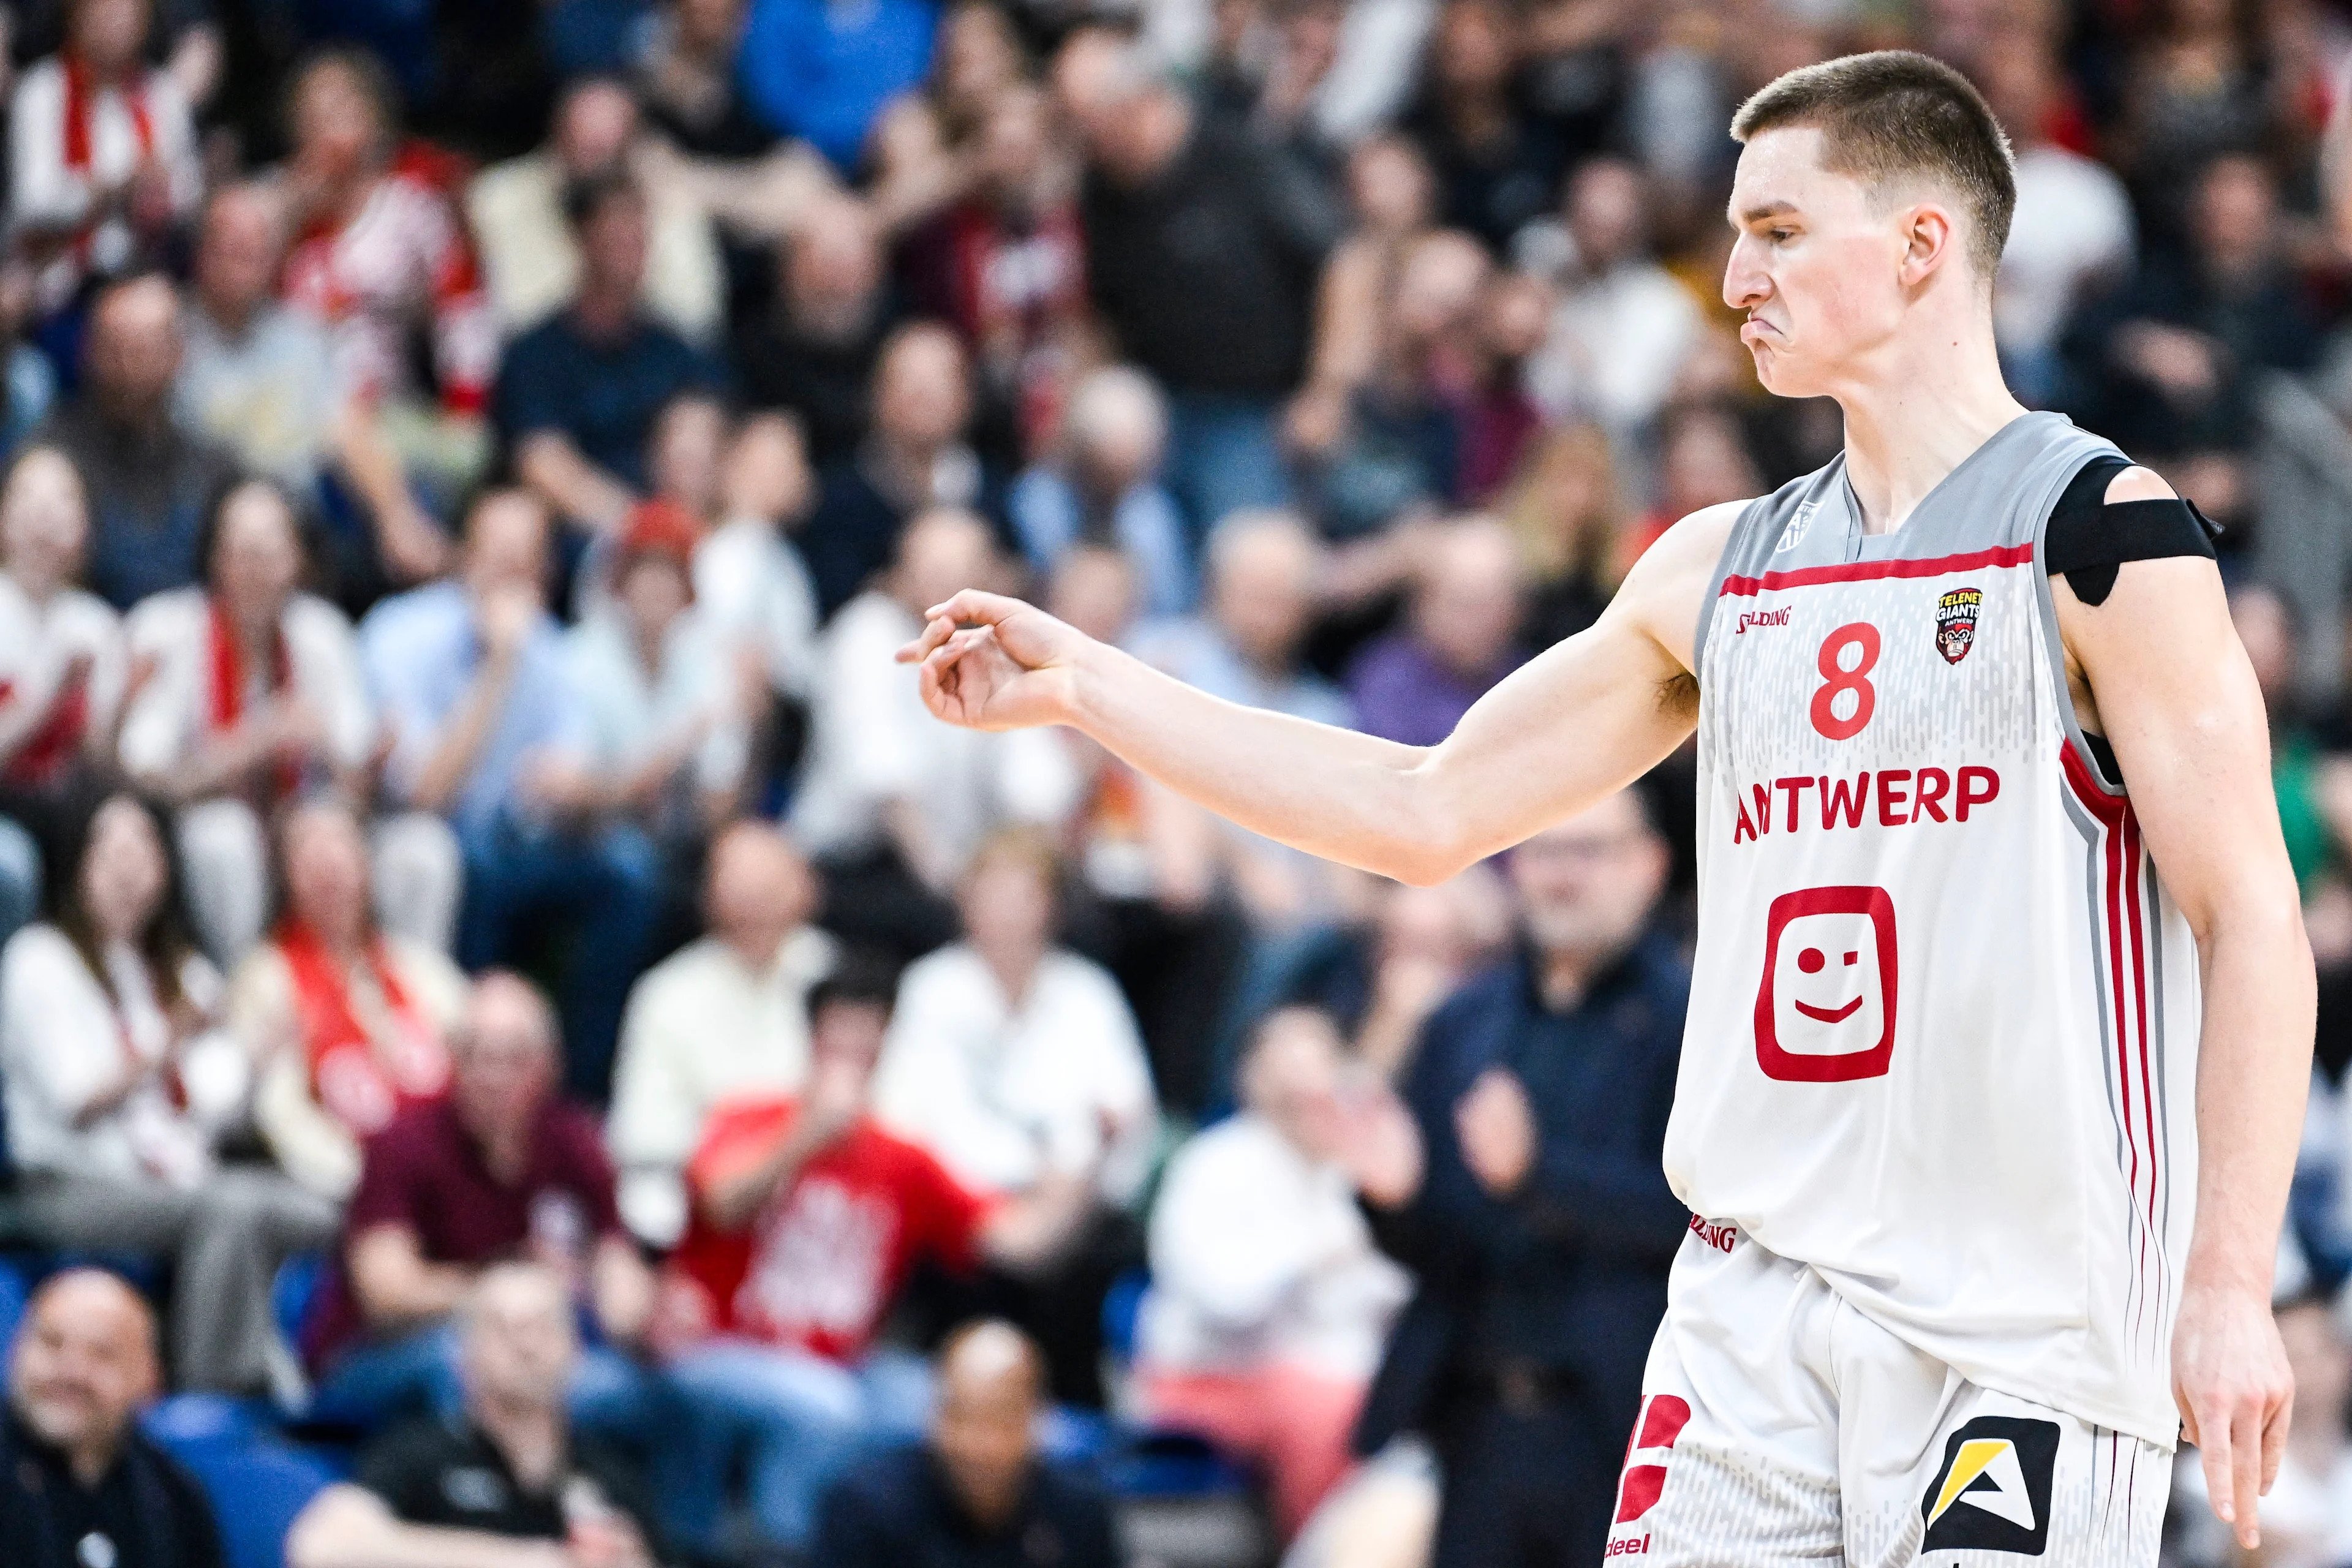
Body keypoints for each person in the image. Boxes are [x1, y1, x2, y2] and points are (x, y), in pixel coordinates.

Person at [903, 50, 2310, 1562]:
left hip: (2016, 1317)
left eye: (1776, 229)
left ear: (1920, 245)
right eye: (1732, 229)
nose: (1735, 271)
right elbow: (1417, 805)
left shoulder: (2099, 535)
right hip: (1745, 1316)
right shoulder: (1716, 567)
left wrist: (2225, 1281)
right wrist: (1087, 691)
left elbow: (2249, 917)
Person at [1329, 791, 1689, 1566]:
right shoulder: (1462, 1022)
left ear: (1649, 865)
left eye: (1585, 851)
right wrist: (1392, 1203)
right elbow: (1436, 1245)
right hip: (1477, 1418)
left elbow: (1699, 1225)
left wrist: (1538, 1177)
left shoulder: (1690, 1021)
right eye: (1541, 851)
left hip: (1625, 1424)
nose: (1560, 877)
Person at [655, 963, 1094, 1553]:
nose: (854, 1057)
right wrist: (806, 1138)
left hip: (848, 1366)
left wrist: (1080, 1159)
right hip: (720, 1350)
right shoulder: (748, 1117)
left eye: (869, 1042)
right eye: (841, 1040)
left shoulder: (902, 1159)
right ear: (811, 1040)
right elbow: (719, 1202)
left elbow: (1016, 1243)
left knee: (1000, 1414)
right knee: (824, 1409)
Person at [1, 793, 339, 1395]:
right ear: (78, 864)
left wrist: (256, 1060)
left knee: (322, 1212)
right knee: (229, 1210)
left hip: (173, 1175)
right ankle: (211, 1392)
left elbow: (209, 1111)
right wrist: (170, 1039)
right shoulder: (38, 960)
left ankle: (301, 1370)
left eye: (144, 851)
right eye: (111, 852)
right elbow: (76, 1101)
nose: (129, 870)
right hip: (67, 1183)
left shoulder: (181, 971)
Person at [361, 488, 663, 1100]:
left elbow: (568, 774)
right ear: (464, 557)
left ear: (544, 572)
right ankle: (462, 1078)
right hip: (415, 836)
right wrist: (499, 669)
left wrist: (581, 791)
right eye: (495, 555)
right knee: (466, 860)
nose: (509, 574)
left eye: (524, 560)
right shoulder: (399, 633)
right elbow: (426, 794)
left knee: (630, 868)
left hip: (518, 836)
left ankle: (580, 1088)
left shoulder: (553, 649)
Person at [871, 828, 1158, 1403]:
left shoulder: (1088, 994)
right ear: (966, 901)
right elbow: (902, 1120)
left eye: (1023, 894)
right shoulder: (932, 989)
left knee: (1089, 1257)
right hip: (960, 1206)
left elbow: (1125, 1115)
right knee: (973, 1261)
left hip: (1066, 1201)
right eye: (992, 892)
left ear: (1050, 906)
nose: (1006, 911)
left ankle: (1067, 1416)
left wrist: (1059, 1192)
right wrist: (988, 1207)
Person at [303, 971, 657, 1433]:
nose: (492, 1076)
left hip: (527, 1344)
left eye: (512, 1059)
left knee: (645, 1389)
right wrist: (506, 1289)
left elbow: (617, 1263)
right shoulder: (402, 1143)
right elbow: (386, 1292)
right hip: (378, 1356)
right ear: (452, 1061)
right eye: (475, 1055)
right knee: (478, 1368)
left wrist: (633, 1306)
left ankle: (604, 1500)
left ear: (548, 1067)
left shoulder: (574, 1142)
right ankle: (486, 1501)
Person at [1136, 1006, 1411, 1538]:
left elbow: (1390, 1290)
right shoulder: (1212, 1164)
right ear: (1252, 1078)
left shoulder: (1352, 1170)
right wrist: (1313, 1255)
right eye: (1286, 1073)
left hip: (1335, 1368)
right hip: (1213, 1373)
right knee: (1332, 1411)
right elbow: (1223, 1302)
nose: (1302, 1092)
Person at [1054, 28, 1331, 536]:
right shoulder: (1098, 193)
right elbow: (1097, 313)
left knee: (1240, 542)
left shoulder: (1237, 156)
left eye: (1087, 125)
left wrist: (1328, 389)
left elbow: (1343, 258)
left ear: (1134, 105)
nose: (1081, 143)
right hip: (1154, 406)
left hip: (1251, 411)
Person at [793, 507, 1078, 959]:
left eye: (961, 573)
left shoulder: (996, 642)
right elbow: (886, 787)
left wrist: (1026, 881)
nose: (945, 586)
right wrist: (961, 892)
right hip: (862, 861)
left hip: (968, 866)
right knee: (932, 923)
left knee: (1083, 923)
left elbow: (1037, 779)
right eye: (932, 570)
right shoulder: (865, 632)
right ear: (901, 572)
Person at [117, 478, 382, 965]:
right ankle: (243, 986)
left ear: (298, 560)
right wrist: (258, 740)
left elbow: (359, 779)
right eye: (242, 552)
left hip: (298, 827)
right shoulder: (168, 629)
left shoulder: (322, 633)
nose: (255, 571)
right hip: (193, 838)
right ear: (215, 558)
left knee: (394, 845)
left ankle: (362, 995)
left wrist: (328, 750)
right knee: (226, 834)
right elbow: (145, 777)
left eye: (270, 553)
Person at [288, 1263, 662, 1568]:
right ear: (462, 1357)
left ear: (577, 1350)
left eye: (544, 1325)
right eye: (504, 1328)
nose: (527, 1345)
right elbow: (320, 1546)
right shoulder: (417, 1455)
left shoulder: (612, 1475)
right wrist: (523, 1561)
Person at [175, 181, 450, 593]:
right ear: (201, 251)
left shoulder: (302, 336)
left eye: (256, 249)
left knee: (427, 501)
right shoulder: (171, 336)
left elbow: (346, 429)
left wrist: (397, 517)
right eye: (228, 246)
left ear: (277, 256)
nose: (241, 261)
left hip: (299, 530)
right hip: (202, 528)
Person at [608, 819, 835, 1248]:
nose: (755, 908)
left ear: (807, 891)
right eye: (740, 892)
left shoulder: (837, 977)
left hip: (822, 1199)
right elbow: (647, 1136)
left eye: (769, 890)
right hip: (704, 1205)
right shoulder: (667, 994)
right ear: (710, 900)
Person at [230, 798, 470, 1201]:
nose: (327, 864)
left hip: (447, 1183)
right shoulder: (265, 980)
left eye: (340, 846)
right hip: (343, 1189)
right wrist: (370, 1181)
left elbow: (476, 1074)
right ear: (285, 877)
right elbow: (283, 1116)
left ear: (367, 864)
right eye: (307, 852)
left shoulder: (422, 970)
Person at [497, 172, 728, 543]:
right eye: (614, 227)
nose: (629, 241)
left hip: (680, 539)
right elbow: (541, 463)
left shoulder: (679, 352)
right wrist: (639, 527)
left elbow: (709, 438)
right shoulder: (534, 355)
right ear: (581, 237)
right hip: (577, 541)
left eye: (638, 227)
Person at [810, 1320, 1121, 1568]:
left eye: (1002, 1418)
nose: (981, 1445)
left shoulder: (1080, 1516)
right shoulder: (865, 1508)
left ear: (1036, 1420)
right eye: (963, 1416)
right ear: (933, 1416)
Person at [467, 76, 726, 348]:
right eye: (587, 149)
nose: (598, 168)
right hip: (536, 368)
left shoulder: (674, 201)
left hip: (645, 367)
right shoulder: (495, 200)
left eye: (610, 151)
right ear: (558, 141)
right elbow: (503, 320)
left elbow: (698, 320)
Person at [1, 1270, 228, 1568]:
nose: (72, 1372)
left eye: (102, 1353)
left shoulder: (175, 1497)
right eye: (52, 1343)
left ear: (149, 1379)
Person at [36, 274, 238, 609]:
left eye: (145, 347)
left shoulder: (214, 466)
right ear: (89, 351)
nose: (130, 366)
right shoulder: (53, 457)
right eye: (116, 347)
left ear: (178, 352)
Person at [0, 447, 129, 944]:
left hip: (71, 812)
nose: (45, 517)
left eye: (62, 503)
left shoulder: (96, 624)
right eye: (29, 500)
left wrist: (121, 710)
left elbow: (103, 767)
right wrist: (49, 699)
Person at [9, 0, 203, 316]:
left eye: (127, 13)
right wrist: (116, 189)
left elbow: (190, 193)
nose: (115, 24)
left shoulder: (162, 93)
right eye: (102, 11)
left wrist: (161, 189)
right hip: (60, 287)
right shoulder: (42, 89)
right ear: (75, 18)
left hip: (148, 278)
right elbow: (33, 203)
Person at [801, 320, 1000, 617]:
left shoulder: (992, 487)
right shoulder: (838, 498)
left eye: (940, 382)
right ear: (877, 395)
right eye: (911, 382)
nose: (925, 397)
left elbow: (1018, 573)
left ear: (966, 398)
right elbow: (830, 593)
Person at [1008, 364, 1193, 619]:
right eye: (1108, 463)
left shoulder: (1153, 512)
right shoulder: (1038, 499)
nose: (1119, 478)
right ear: (1081, 447)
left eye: (1132, 467)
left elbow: (1169, 608)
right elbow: (1032, 584)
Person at [1345, 514, 1528, 748]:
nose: (1481, 623)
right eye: (1464, 604)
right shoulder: (1385, 681)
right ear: (1424, 603)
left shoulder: (1535, 679)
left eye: (1492, 605)